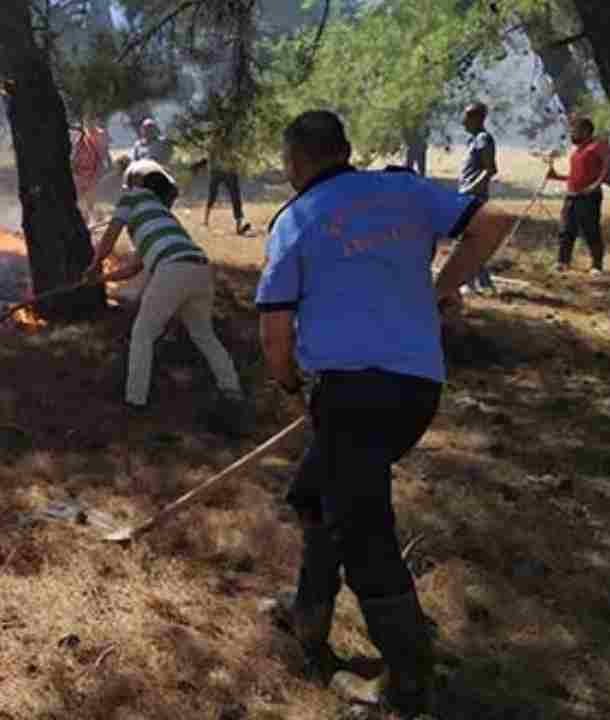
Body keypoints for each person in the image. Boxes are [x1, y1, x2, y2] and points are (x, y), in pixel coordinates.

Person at [256, 111, 515, 716]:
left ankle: (407, 680)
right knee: (320, 495)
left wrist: (288, 382)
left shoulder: (294, 220)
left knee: (362, 529)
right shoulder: (402, 189)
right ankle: (308, 620)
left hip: (349, 395)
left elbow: (274, 330)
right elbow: (492, 222)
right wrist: (442, 289)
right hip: (416, 389)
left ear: (296, 161)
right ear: (345, 149)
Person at [83, 158, 245, 428]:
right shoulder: (161, 216)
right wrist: (101, 279)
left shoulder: (132, 197)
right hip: (200, 268)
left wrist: (92, 266)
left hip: (173, 269)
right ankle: (232, 388)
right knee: (204, 334)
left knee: (143, 334)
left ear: (134, 183)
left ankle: (135, 402)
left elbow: (109, 237)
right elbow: (134, 267)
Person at [546, 116, 610, 275]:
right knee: (566, 230)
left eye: (574, 131)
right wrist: (557, 176)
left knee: (591, 230)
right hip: (572, 196)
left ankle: (596, 265)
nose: (572, 134)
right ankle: (563, 262)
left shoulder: (597, 146)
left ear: (585, 131)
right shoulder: (577, 151)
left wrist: (595, 185)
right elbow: (576, 176)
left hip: (589, 197)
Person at [458, 102, 498, 294]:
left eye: (466, 117)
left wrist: (469, 190)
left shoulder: (483, 139)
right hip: (467, 197)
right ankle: (480, 282)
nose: (463, 121)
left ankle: (476, 283)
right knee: (469, 242)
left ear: (476, 119)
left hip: (474, 198)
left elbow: (490, 170)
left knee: (469, 241)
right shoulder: (473, 140)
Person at [71, 116, 111, 222]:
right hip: (79, 177)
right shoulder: (73, 146)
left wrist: (95, 177)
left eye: (79, 132)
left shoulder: (91, 143)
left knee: (90, 200)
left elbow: (99, 160)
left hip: (91, 176)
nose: (76, 135)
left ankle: (93, 218)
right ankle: (84, 218)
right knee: (78, 200)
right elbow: (72, 164)